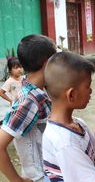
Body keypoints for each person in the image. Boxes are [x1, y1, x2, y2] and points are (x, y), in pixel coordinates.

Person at [42, 52, 95, 182]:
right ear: (71, 95)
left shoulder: (79, 124)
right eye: (88, 86)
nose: (91, 91)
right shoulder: (65, 143)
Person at [0, 34, 56, 182]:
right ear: (47, 62)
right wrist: (17, 180)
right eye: (56, 58)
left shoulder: (38, 88)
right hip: (40, 176)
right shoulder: (29, 101)